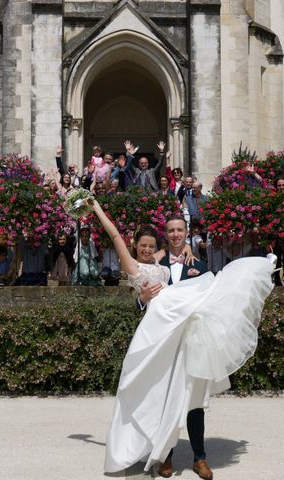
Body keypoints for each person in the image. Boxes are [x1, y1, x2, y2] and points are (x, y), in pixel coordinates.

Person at [88, 199, 274, 479]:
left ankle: (200, 457)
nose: (175, 235)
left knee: (194, 399)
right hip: (161, 337)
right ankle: (165, 455)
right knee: (164, 397)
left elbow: (204, 297)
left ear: (186, 233)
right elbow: (121, 248)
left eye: (180, 230)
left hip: (191, 340)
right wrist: (141, 299)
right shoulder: (155, 262)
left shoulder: (194, 261)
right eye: (170, 231)